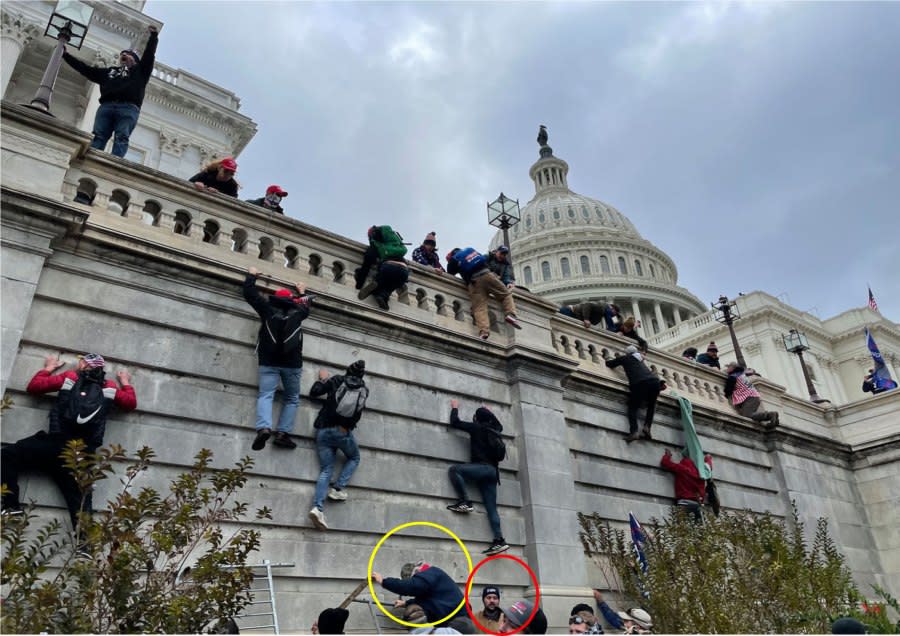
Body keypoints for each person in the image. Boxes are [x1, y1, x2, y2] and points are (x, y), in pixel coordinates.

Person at [1, 353, 137, 530]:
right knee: (80, 500)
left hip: (54, 444)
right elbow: (130, 403)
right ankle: (85, 546)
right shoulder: (109, 387)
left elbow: (34, 387)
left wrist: (48, 368)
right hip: (82, 454)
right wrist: (125, 383)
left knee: (6, 456)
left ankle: (11, 506)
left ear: (83, 365)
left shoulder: (70, 377)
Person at [62, 26, 159, 158]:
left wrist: (153, 37)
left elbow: (149, 55)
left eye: (128, 55)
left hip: (128, 107)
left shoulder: (141, 71)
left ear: (135, 61)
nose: (124, 55)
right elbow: (85, 69)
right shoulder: (109, 72)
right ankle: (92, 158)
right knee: (98, 135)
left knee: (122, 136)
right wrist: (66, 56)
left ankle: (115, 163)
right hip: (106, 106)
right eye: (122, 54)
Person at [243, 267, 311, 452]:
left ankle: (264, 428)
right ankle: (282, 434)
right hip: (292, 364)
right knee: (291, 398)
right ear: (291, 301)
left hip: (268, 361)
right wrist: (302, 290)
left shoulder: (267, 309)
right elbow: (306, 306)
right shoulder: (298, 312)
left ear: (275, 299)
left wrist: (252, 275)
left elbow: (249, 293)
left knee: (266, 395)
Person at [307, 360, 368, 530]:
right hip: (342, 432)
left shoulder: (336, 380)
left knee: (326, 470)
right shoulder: (363, 389)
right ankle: (338, 488)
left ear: (347, 370)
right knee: (354, 457)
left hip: (323, 431)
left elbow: (314, 392)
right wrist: (345, 427)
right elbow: (357, 415)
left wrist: (322, 379)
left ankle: (317, 508)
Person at [445, 400, 509, 556]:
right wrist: (489, 412)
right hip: (493, 473)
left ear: (477, 418)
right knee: (491, 508)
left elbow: (455, 423)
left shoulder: (477, 428)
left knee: (455, 470)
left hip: (482, 468)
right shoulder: (495, 430)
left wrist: (454, 407)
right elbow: (500, 425)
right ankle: (499, 540)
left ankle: (465, 501)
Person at [446, 247, 522, 340]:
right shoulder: (470, 250)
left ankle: (484, 332)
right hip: (487, 275)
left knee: (479, 308)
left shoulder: (455, 259)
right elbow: (484, 263)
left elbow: (450, 272)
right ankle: (510, 315)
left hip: (474, 282)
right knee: (505, 294)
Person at [372, 562, 470, 631]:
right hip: (456, 621)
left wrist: (383, 581)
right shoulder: (430, 578)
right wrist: (406, 603)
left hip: (458, 623)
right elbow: (426, 600)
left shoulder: (429, 574)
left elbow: (411, 586)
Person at [604, 346, 661, 443]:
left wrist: (606, 359)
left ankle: (634, 432)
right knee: (651, 406)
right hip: (655, 382)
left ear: (628, 353)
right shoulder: (641, 361)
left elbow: (610, 364)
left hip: (640, 383)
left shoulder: (625, 358)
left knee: (632, 408)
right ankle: (647, 427)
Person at [356, 225, 409, 311]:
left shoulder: (375, 244)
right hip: (403, 271)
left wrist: (359, 283)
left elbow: (368, 261)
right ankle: (383, 297)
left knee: (383, 279)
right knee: (390, 287)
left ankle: (376, 286)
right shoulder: (397, 244)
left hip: (388, 267)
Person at [660, 448, 712, 521]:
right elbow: (709, 467)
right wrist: (708, 458)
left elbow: (665, 463)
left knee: (681, 529)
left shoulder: (682, 468)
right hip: (698, 505)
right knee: (700, 530)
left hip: (684, 503)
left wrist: (668, 455)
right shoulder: (702, 473)